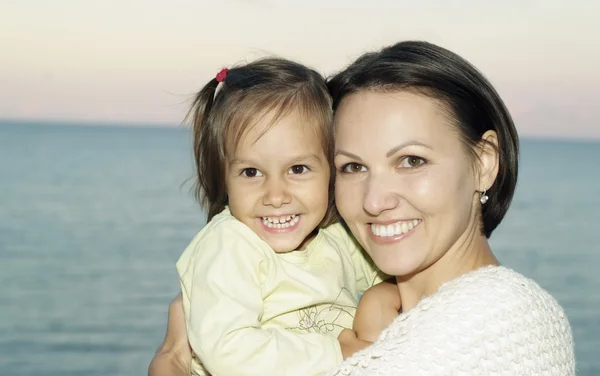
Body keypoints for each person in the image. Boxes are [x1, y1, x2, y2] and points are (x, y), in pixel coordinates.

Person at [149, 41, 575, 375]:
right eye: (353, 166)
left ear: (483, 162)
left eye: (411, 160)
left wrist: (170, 362)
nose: (374, 200)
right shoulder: (388, 309)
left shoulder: (499, 320)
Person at [168, 57, 398, 376]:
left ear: (332, 169)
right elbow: (228, 351)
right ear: (224, 177)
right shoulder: (231, 245)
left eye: (298, 169)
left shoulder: (338, 239)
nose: (275, 196)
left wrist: (379, 295)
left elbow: (400, 278)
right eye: (251, 172)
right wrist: (338, 351)